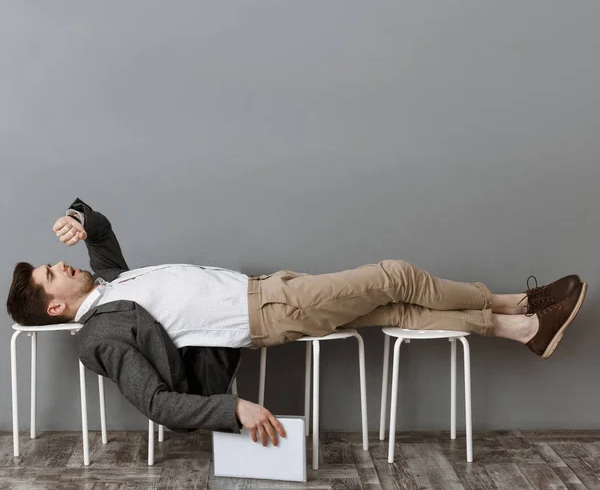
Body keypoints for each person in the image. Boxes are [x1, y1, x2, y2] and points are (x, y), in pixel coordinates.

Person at [7, 198, 587, 448]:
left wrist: (80, 216)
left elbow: (102, 237)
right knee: (394, 275)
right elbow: (156, 402)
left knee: (395, 308)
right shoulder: (102, 336)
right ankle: (515, 304)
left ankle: (524, 331)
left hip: (270, 292)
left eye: (52, 262)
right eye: (49, 276)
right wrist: (234, 408)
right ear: (55, 306)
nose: (59, 264)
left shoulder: (109, 285)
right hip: (268, 312)